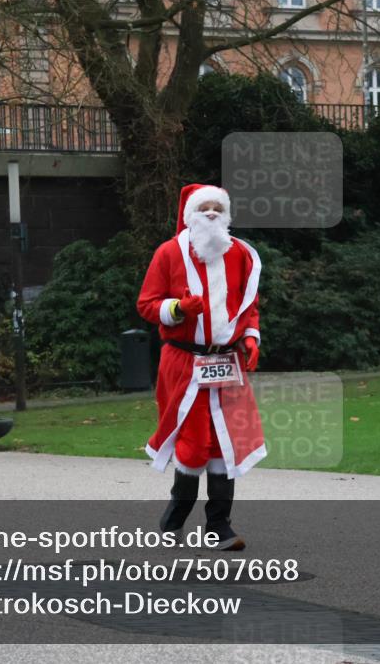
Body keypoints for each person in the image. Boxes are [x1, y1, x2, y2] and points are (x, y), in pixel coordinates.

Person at [136, 183, 265, 551]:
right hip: (184, 361)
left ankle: (219, 526)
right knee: (191, 439)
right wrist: (177, 309)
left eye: (217, 208)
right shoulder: (167, 254)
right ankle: (175, 517)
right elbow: (147, 304)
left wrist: (251, 337)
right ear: (189, 215)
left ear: (226, 215)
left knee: (227, 443)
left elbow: (249, 305)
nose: (211, 213)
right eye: (203, 207)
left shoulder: (239, 254)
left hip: (227, 361)